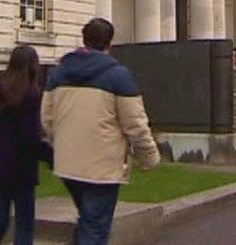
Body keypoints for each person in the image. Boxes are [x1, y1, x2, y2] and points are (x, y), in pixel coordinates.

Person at [42, 18, 160, 245]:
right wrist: (150, 158)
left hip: (68, 164)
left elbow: (46, 119)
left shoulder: (59, 73)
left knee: (88, 221)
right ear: (110, 44)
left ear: (83, 39)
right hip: (102, 167)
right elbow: (135, 125)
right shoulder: (119, 76)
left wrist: (60, 144)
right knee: (95, 230)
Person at [0, 45, 49, 245]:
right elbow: (29, 136)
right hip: (19, 167)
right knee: (24, 223)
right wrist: (50, 156)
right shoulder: (31, 94)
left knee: (0, 219)